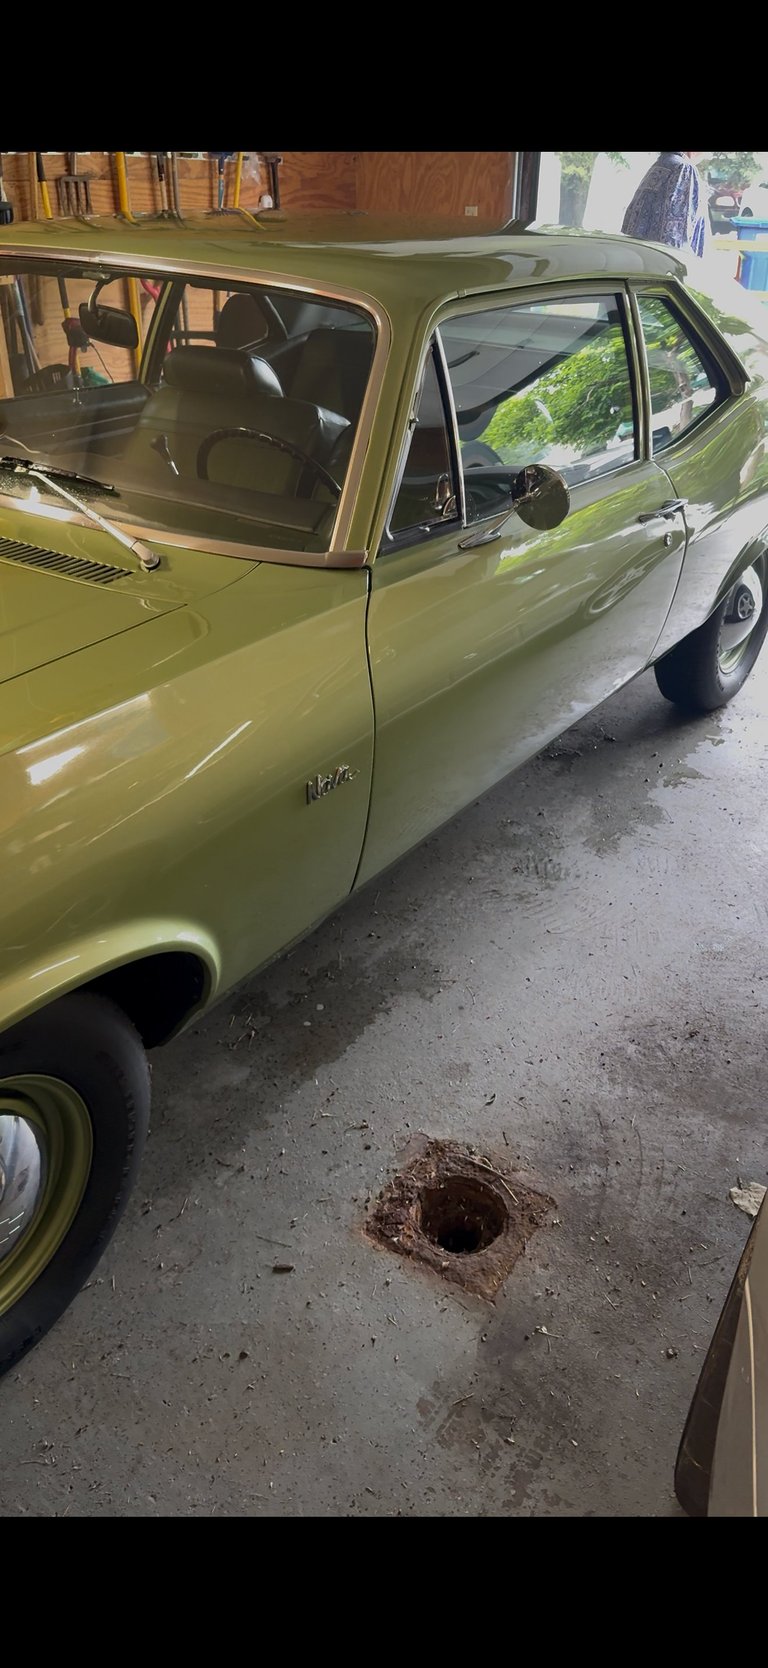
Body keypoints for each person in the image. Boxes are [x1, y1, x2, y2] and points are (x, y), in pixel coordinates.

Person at [621, 152, 707, 258]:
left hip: (637, 257)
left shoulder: (661, 164)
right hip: (662, 263)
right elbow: (675, 233)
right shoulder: (683, 168)